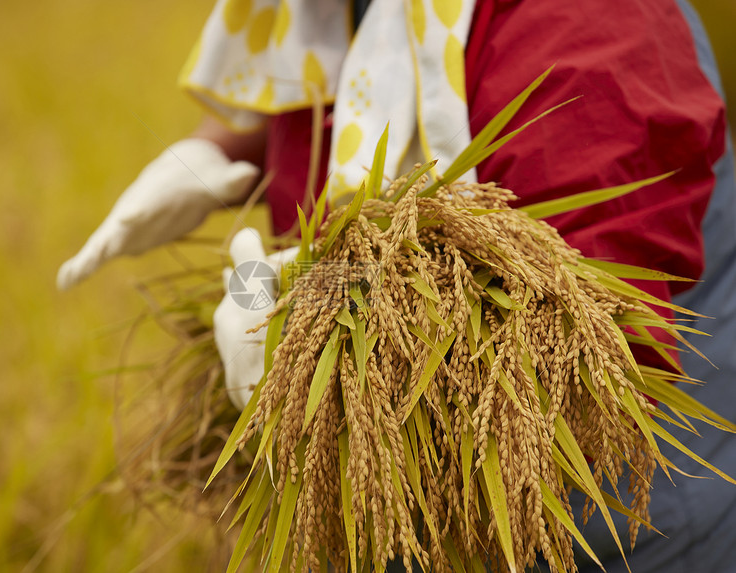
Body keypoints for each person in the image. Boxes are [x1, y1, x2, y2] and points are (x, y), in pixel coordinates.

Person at [57, 0, 736, 570]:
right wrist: (221, 149)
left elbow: (566, 345)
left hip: (616, 525)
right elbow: (373, 66)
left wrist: (305, 315)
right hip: (437, 505)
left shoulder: (594, 27)